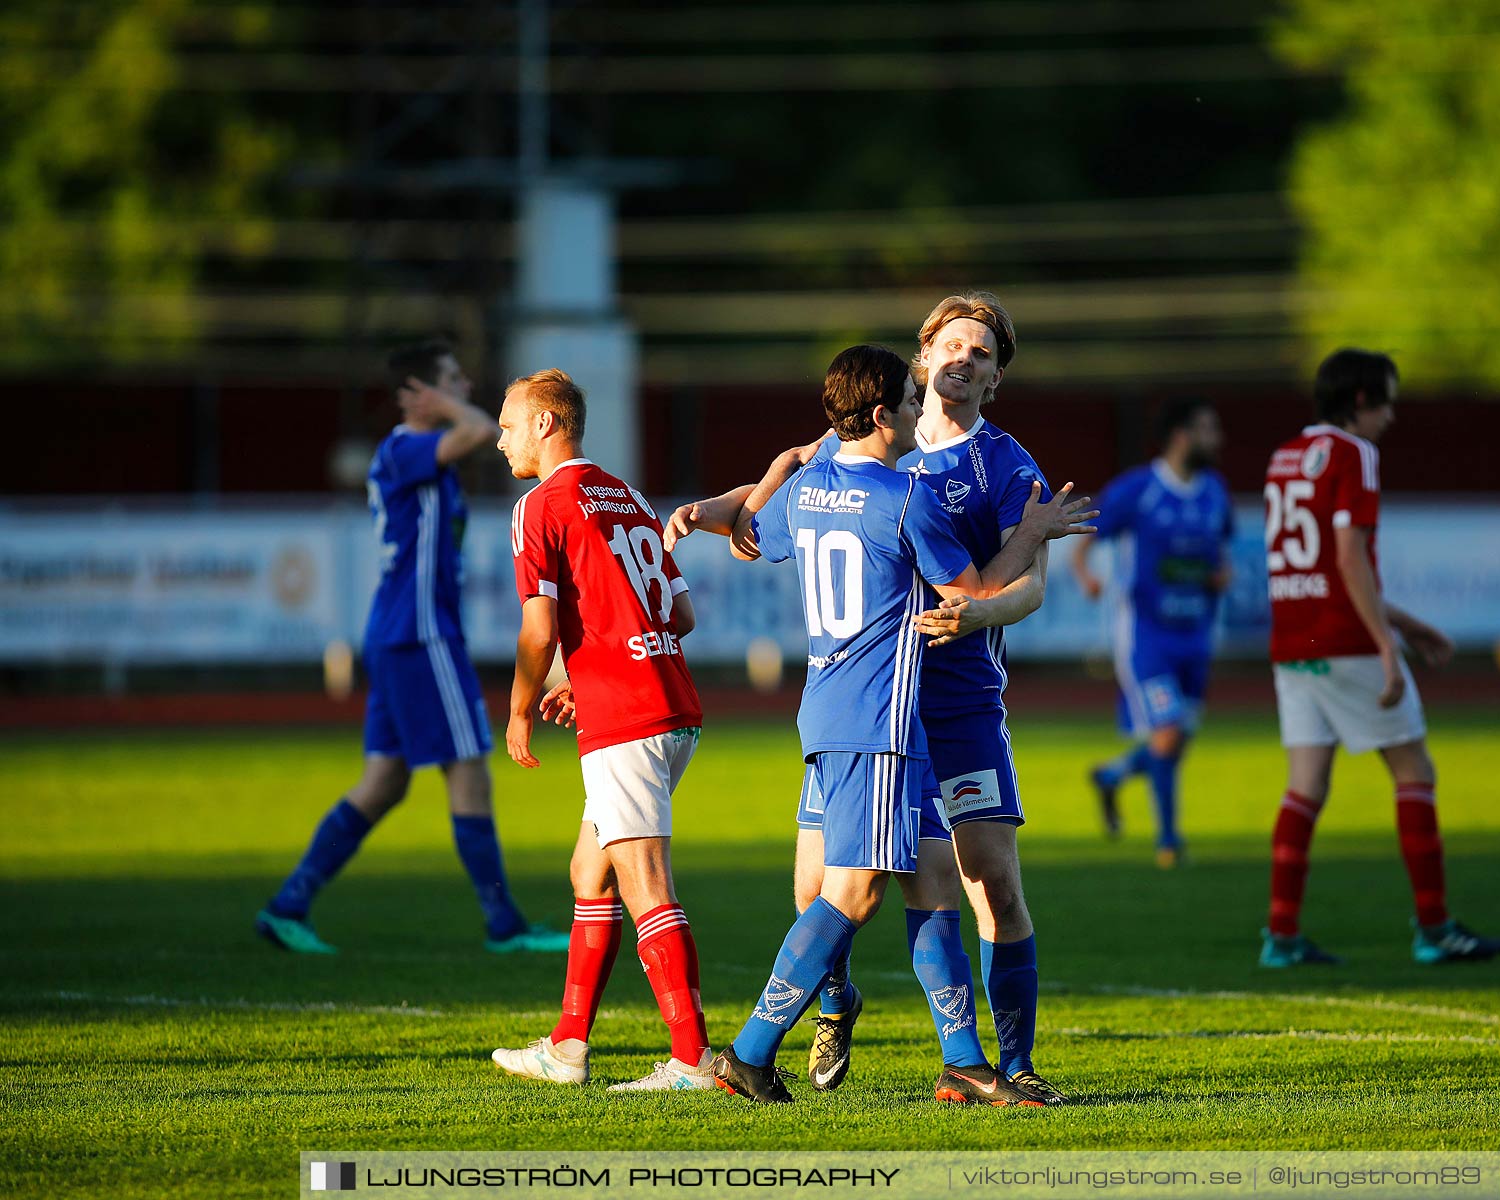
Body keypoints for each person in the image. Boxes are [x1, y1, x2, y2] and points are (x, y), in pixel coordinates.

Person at [667, 293, 1089, 1105]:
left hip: (949, 704)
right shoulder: (869, 449)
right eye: (951, 346)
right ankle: (815, 1017)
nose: (964, 360)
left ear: (996, 378)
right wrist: (712, 510)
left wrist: (976, 614)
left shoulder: (1004, 465)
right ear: (921, 360)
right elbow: (776, 486)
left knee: (977, 881)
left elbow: (1022, 594)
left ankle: (994, 1062)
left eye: (982, 353)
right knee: (832, 889)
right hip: (879, 706)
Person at [256, 342, 564, 956]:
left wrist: (444, 399)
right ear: (419, 392)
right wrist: (450, 405)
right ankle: (503, 922)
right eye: (449, 378)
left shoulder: (419, 458)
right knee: (471, 769)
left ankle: (288, 903)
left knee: (384, 782)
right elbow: (478, 428)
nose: (464, 384)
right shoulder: (407, 447)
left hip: (401, 631)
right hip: (421, 634)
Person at [487, 368, 716, 1090]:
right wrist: (602, 674)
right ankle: (568, 1047)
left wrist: (522, 705)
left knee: (645, 882)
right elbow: (680, 616)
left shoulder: (540, 505)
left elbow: (539, 628)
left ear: (545, 425)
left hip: (628, 720)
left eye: (508, 424)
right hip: (668, 705)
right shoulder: (627, 495)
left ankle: (693, 1059)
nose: (500, 441)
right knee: (591, 871)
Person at [1260, 348, 1500, 968]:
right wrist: (1387, 650)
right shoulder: (1356, 453)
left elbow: (1324, 567)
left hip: (1293, 637)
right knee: (1415, 771)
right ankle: (1435, 927)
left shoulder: (1284, 457)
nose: (1392, 416)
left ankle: (1281, 936)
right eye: (1388, 401)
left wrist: (1410, 626)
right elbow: (1347, 561)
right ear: (1362, 401)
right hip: (1343, 637)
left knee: (1306, 785)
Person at [1072, 398, 1234, 867]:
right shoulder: (1139, 489)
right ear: (1181, 436)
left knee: (1177, 739)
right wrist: (1086, 575)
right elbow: (1087, 535)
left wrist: (1221, 574)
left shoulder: (1215, 491)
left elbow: (1219, 551)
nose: (1217, 440)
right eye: (1208, 429)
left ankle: (1112, 774)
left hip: (1197, 635)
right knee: (1168, 730)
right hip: (1147, 636)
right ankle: (1168, 841)